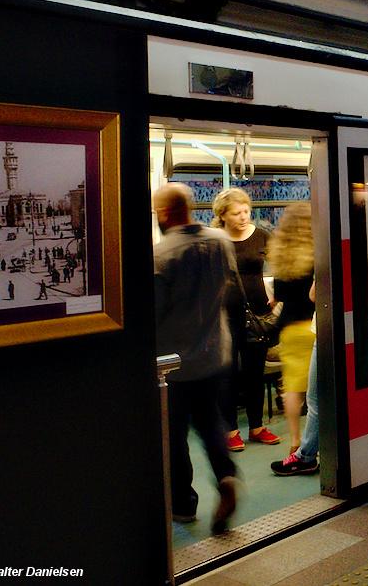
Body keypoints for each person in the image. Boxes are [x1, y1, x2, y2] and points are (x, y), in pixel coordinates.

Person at [152, 183, 240, 535]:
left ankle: (184, 504)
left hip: (174, 363)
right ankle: (227, 476)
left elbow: (154, 313)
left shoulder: (162, 255)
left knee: (174, 435)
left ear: (164, 213)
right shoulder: (220, 241)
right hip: (215, 353)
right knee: (210, 422)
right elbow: (226, 288)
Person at [212, 188, 282, 452]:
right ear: (223, 215)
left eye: (246, 211)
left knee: (255, 372)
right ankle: (230, 429)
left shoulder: (262, 236)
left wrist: (278, 296)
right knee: (227, 374)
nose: (243, 217)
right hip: (224, 315)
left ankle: (256, 426)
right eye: (236, 213)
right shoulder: (215, 240)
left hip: (256, 313)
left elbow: (281, 266)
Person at [268, 202, 316, 454]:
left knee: (292, 389)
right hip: (315, 326)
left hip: (289, 328)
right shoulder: (317, 253)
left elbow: (278, 297)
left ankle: (295, 440)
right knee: (317, 391)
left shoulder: (281, 256)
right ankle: (315, 442)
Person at [272, 285, 320, 476]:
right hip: (308, 327)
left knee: (312, 398)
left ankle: (303, 453)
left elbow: (313, 294)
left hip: (302, 327)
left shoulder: (282, 272)